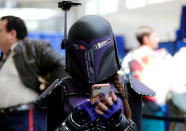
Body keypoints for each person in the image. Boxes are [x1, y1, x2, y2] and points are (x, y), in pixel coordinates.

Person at [38, 15, 155, 131]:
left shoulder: (128, 86)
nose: (89, 56)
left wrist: (118, 120)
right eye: (79, 47)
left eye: (99, 45)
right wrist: (73, 122)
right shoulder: (61, 89)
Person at [0, 15, 67, 131]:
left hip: (25, 117)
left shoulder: (33, 47)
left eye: (0, 31)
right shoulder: (5, 57)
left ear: (12, 34)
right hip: (5, 118)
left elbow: (62, 64)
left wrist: (48, 93)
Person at [122, 26, 172, 131]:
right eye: (155, 36)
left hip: (132, 108)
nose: (158, 39)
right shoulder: (156, 57)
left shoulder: (129, 56)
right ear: (146, 38)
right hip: (152, 108)